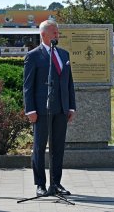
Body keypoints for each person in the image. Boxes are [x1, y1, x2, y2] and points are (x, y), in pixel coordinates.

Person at [23, 20, 76, 197]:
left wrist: (71, 106)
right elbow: (28, 86)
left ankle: (56, 183)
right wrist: (30, 110)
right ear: (43, 34)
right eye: (54, 32)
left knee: (58, 147)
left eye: (58, 32)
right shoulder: (33, 55)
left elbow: (69, 83)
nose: (57, 35)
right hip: (41, 109)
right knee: (39, 147)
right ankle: (40, 184)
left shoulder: (64, 54)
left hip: (61, 109)